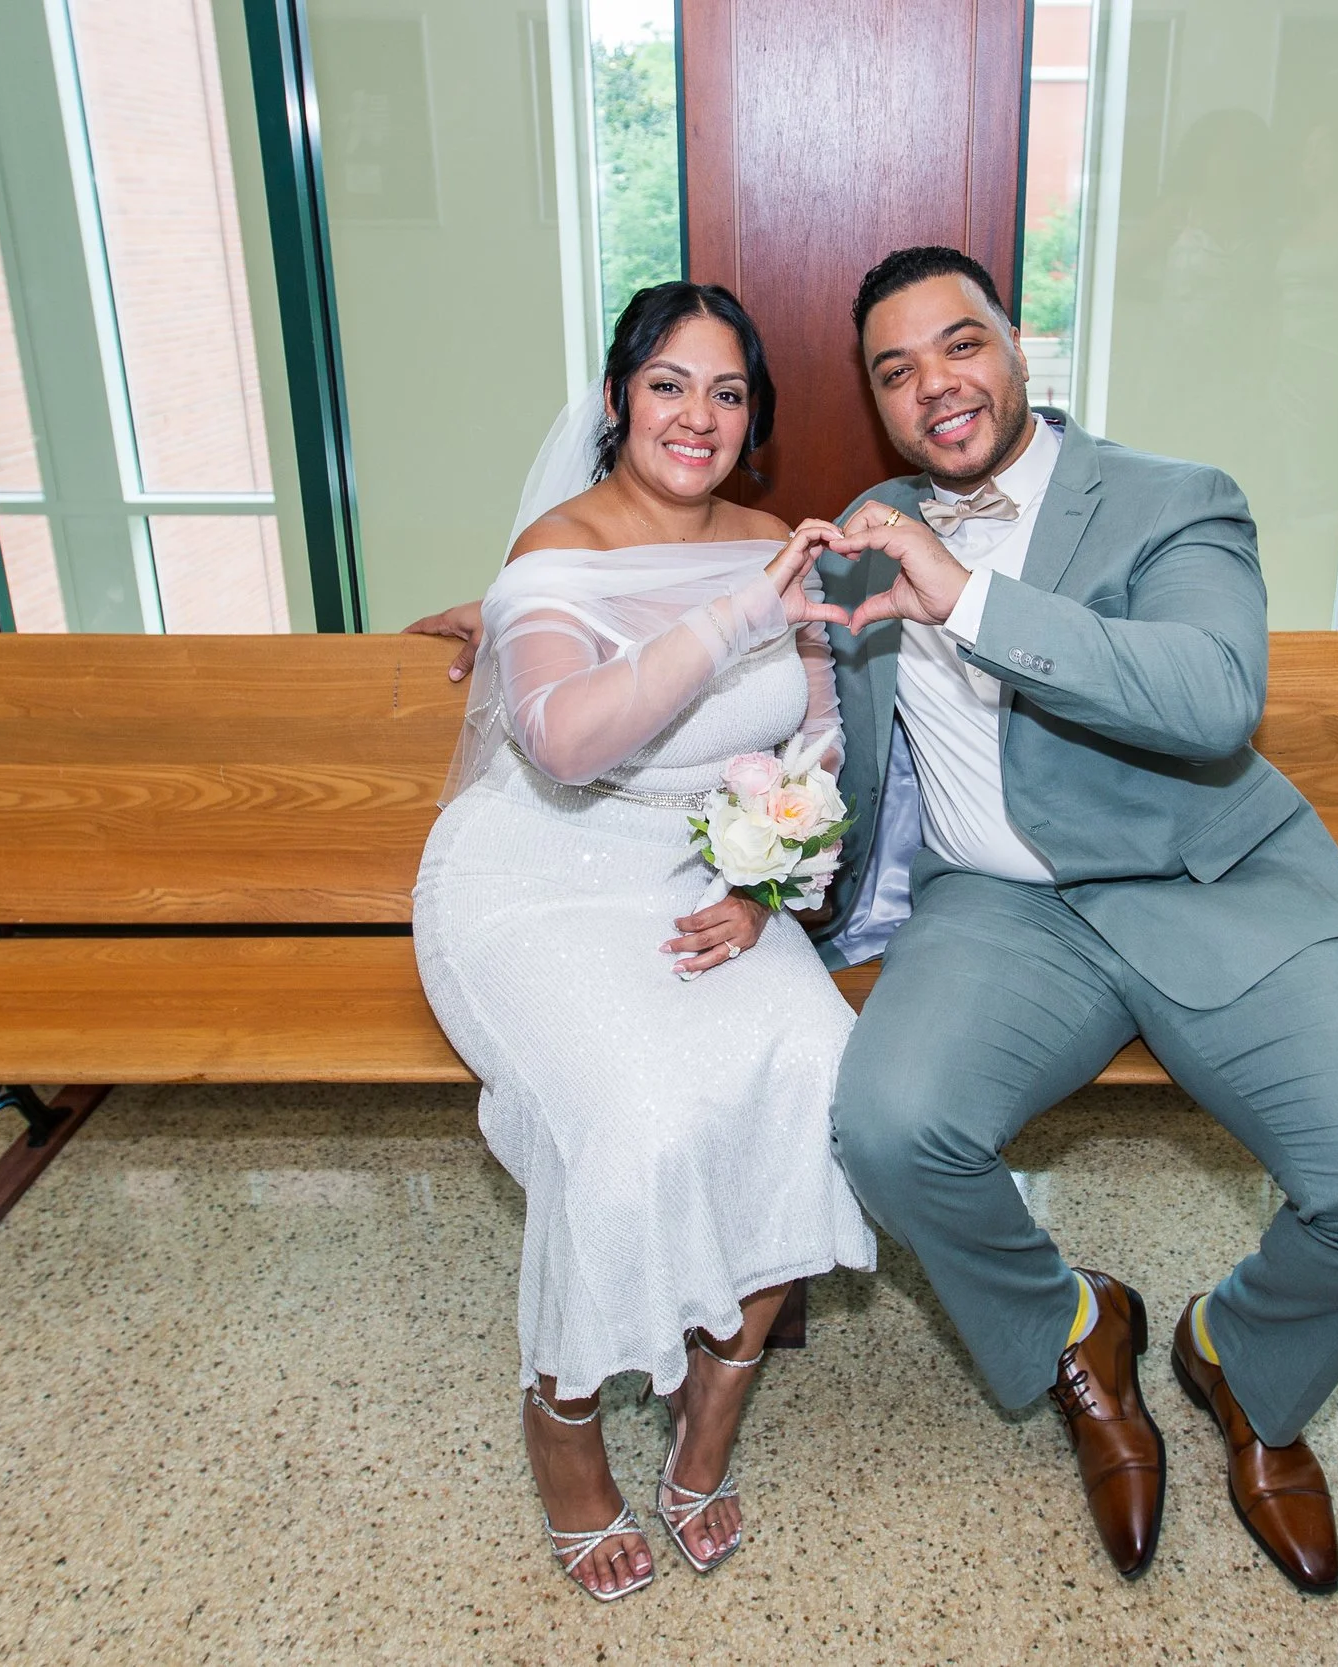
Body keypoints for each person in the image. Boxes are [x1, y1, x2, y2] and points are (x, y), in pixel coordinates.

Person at [413, 248, 1338, 1595]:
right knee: (883, 1124)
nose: (936, 383)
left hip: (1208, 888)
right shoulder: (862, 524)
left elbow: (1214, 695)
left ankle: (1246, 1366)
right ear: (872, 402)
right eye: (895, 369)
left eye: (960, 345)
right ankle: (1074, 1327)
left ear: (1018, 348)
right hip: (998, 918)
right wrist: (521, 606)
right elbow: (684, 608)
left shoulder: (1173, 499)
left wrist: (965, 595)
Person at [410, 281, 873, 1603]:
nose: (698, 415)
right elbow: (562, 742)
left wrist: (776, 876)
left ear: (755, 423)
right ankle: (562, 1417)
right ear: (618, 400)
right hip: (541, 878)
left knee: (831, 1082)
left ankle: (712, 1410)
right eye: (670, 383)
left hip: (704, 873)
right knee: (640, 1116)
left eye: (729, 393)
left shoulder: (775, 539)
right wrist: (736, 612)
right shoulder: (557, 553)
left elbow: (814, 738)